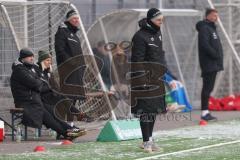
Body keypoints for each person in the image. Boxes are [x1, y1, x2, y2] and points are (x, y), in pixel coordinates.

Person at [10, 48, 84, 140]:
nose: (32, 59)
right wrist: (38, 82)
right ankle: (67, 133)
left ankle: (72, 129)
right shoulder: (19, 70)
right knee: (48, 118)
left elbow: (39, 82)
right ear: (22, 59)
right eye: (29, 57)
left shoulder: (29, 68)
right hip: (26, 102)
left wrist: (38, 82)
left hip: (34, 100)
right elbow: (36, 84)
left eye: (32, 57)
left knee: (53, 112)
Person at [131, 8, 168, 153]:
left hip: (156, 79)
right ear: (150, 20)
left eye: (161, 20)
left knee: (153, 111)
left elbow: (160, 55)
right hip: (144, 80)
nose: (161, 23)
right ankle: (146, 142)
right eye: (158, 20)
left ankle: (149, 140)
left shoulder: (158, 33)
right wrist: (142, 80)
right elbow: (137, 60)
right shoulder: (139, 37)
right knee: (145, 111)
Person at [55, 9, 85, 119]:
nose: (77, 20)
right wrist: (72, 63)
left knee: (74, 98)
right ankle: (63, 126)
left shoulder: (75, 34)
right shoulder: (62, 32)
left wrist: (83, 65)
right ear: (69, 20)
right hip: (67, 71)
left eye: (78, 18)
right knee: (67, 99)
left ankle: (71, 124)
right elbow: (60, 50)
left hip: (77, 71)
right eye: (74, 18)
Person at [196, 8, 224, 121]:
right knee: (207, 88)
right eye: (213, 15)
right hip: (209, 64)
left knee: (209, 88)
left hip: (214, 63)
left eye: (216, 15)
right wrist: (215, 55)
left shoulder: (211, 28)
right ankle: (204, 113)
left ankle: (206, 112)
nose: (215, 17)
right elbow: (205, 45)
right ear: (207, 16)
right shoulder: (204, 28)